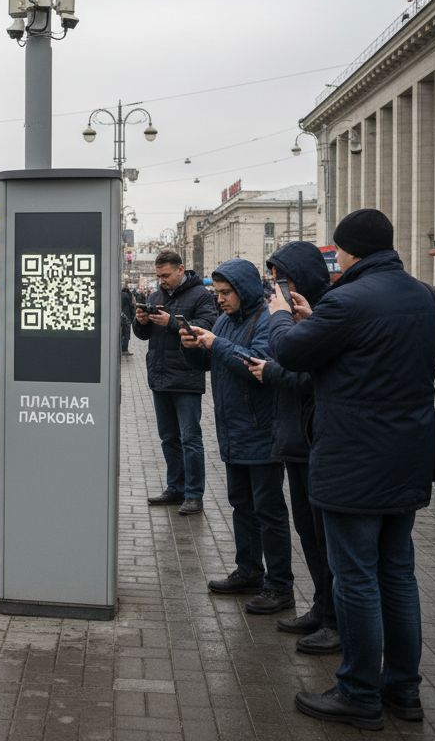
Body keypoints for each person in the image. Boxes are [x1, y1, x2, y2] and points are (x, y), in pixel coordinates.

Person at [267, 209, 435, 730]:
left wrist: (279, 315)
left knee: (356, 579)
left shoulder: (348, 300)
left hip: (352, 462)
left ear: (351, 250)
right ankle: (403, 690)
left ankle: (359, 692)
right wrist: (313, 318)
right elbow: (365, 358)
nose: (335, 257)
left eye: (337, 249)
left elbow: (289, 353)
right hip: (406, 458)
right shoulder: (423, 296)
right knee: (398, 576)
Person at [181, 259, 292, 614]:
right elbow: (210, 363)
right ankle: (249, 571)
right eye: (216, 293)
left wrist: (216, 345)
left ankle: (279, 585)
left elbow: (255, 365)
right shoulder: (226, 321)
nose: (220, 300)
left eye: (226, 293)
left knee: (269, 512)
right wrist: (193, 347)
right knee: (241, 506)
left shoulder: (266, 321)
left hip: (262, 432)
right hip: (234, 432)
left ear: (243, 290)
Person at [250, 242, 340, 654]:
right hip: (293, 438)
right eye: (272, 279)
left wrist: (271, 370)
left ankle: (335, 619)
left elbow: (308, 376)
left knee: (328, 539)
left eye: (280, 278)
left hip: (317, 440)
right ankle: (322, 608)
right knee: (308, 532)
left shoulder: (327, 313)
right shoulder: (291, 312)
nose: (275, 287)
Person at [133, 250, 218, 515]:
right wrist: (141, 322)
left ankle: (194, 494)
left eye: (166, 275)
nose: (162, 281)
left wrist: (171, 322)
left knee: (190, 439)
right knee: (168, 438)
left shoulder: (201, 296)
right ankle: (175, 488)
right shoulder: (157, 296)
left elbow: (206, 327)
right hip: (160, 378)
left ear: (181, 270)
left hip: (186, 378)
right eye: (158, 276)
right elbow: (145, 335)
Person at [120, 285, 136, 354]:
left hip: (120, 316)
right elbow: (131, 306)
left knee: (120, 333)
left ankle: (120, 348)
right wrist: (132, 317)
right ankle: (124, 349)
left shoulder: (119, 295)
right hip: (127, 316)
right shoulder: (127, 296)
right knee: (126, 333)